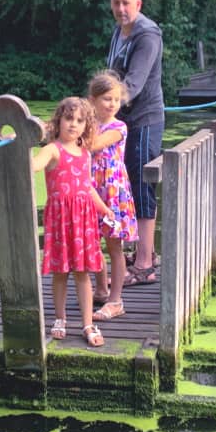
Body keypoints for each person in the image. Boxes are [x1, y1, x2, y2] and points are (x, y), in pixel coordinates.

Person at [32, 97, 115, 347]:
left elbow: (87, 186)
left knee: (82, 273)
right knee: (60, 273)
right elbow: (34, 165)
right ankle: (60, 318)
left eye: (80, 121)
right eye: (69, 119)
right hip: (60, 220)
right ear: (58, 121)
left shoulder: (85, 153)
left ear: (86, 125)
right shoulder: (52, 149)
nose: (73, 125)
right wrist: (19, 149)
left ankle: (88, 323)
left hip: (84, 220)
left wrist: (104, 209)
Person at [106, 0, 164, 286]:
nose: (121, 9)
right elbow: (112, 75)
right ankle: (145, 252)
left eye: (126, 3)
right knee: (129, 184)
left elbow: (133, 84)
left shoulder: (147, 34)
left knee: (142, 186)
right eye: (116, 3)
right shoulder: (119, 31)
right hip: (123, 122)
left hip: (145, 119)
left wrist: (101, 110)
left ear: (138, 4)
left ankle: (144, 265)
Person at [87, 71, 139, 321]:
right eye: (106, 98)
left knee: (114, 245)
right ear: (93, 99)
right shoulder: (87, 124)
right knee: (93, 241)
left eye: (116, 99)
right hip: (91, 189)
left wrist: (65, 135)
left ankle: (116, 301)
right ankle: (100, 289)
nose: (112, 104)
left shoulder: (119, 126)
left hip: (112, 191)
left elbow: (93, 145)